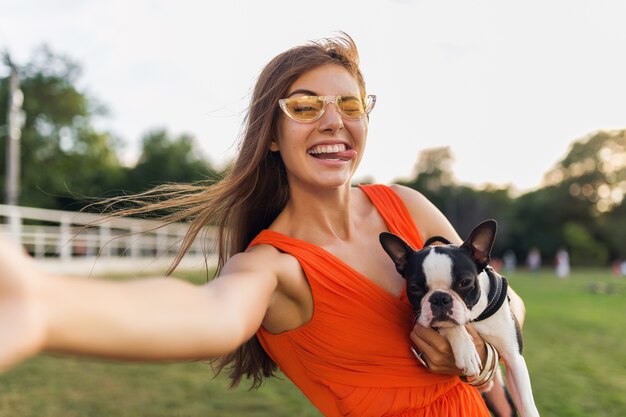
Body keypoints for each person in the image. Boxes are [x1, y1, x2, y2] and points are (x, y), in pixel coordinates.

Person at [0, 33, 525, 417]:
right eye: (304, 106)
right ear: (271, 135)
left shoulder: (406, 206)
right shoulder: (271, 266)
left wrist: (475, 358)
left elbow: (507, 301)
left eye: (348, 103)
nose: (332, 120)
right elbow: (207, 313)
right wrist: (46, 306)